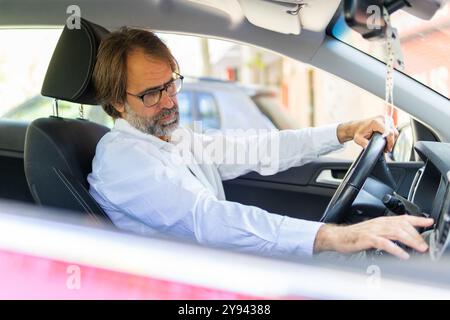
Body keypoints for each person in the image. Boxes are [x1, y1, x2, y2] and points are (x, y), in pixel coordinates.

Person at [88, 27, 433, 261]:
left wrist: (343, 131)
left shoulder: (170, 137)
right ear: (117, 101)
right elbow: (207, 220)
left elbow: (259, 148)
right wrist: (335, 237)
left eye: (170, 84)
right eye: (151, 93)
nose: (168, 102)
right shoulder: (122, 158)